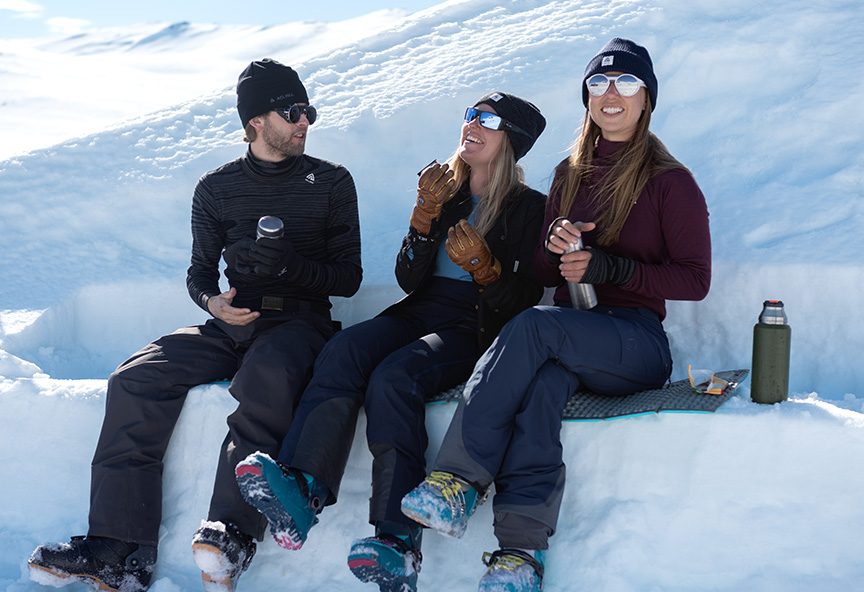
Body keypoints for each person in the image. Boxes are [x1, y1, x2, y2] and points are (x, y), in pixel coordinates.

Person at [26, 58, 362, 592]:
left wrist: (288, 267)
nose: (305, 121)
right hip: (232, 322)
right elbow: (200, 272)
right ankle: (119, 549)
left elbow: (348, 277)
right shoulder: (217, 188)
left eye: (309, 111)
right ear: (255, 121)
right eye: (292, 110)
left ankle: (230, 534)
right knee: (136, 377)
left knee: (266, 377)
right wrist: (213, 303)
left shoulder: (331, 183)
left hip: (300, 324)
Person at [401, 38, 712, 592]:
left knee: (533, 327)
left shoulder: (670, 182)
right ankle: (520, 555)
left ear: (647, 100)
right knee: (541, 388)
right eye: (597, 83)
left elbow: (695, 279)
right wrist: (554, 244)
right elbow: (547, 275)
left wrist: (612, 271)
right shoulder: (570, 173)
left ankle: (457, 480)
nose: (609, 94)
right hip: (570, 337)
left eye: (626, 84)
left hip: (634, 342)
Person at [231, 91, 547, 592]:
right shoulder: (446, 191)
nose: (472, 124)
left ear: (512, 141)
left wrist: (486, 272)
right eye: (470, 114)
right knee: (344, 349)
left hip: (475, 324)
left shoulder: (531, 208)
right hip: (422, 309)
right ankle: (303, 486)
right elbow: (407, 278)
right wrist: (423, 218)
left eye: (488, 120)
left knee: (395, 375)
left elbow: (526, 298)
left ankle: (397, 542)